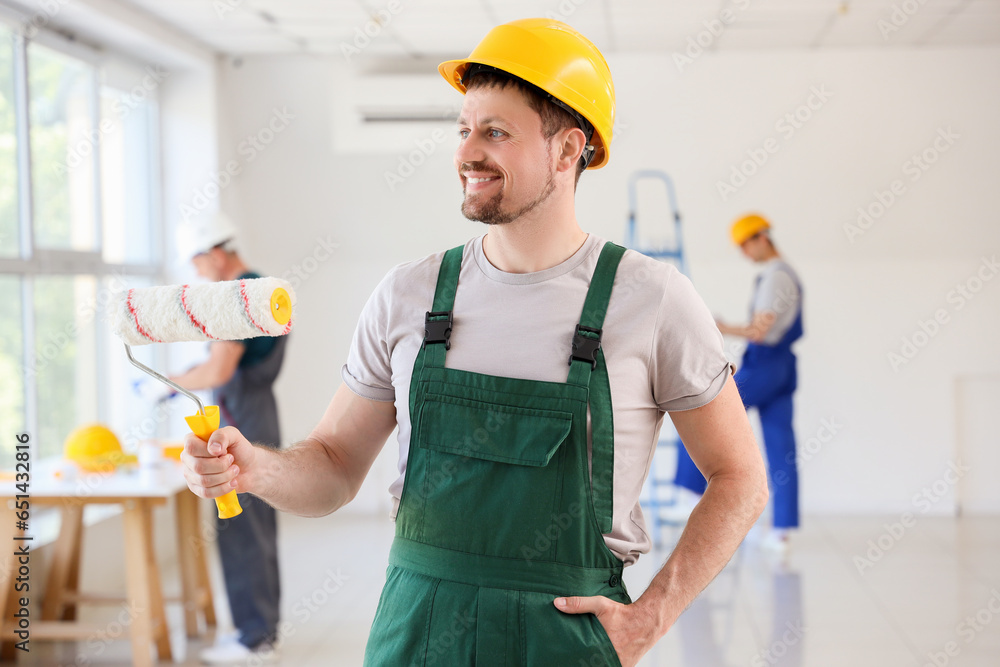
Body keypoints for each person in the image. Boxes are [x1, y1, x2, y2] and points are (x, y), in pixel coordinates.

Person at [180, 19, 768, 666]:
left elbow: (739, 477)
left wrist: (649, 617)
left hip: (562, 642)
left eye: (495, 132)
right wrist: (254, 466)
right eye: (464, 129)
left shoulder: (651, 299)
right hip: (414, 636)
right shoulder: (408, 294)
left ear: (568, 150)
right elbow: (335, 464)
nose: (466, 153)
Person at [172, 213, 285, 663]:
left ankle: (253, 640)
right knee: (255, 527)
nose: (198, 275)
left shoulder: (235, 297)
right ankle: (261, 632)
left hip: (242, 420)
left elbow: (219, 370)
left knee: (238, 525)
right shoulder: (260, 291)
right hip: (258, 416)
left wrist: (167, 381)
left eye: (198, 265)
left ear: (216, 255)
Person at [674, 214, 803, 553]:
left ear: (762, 238)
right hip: (783, 367)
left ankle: (688, 492)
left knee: (707, 408)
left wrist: (721, 327)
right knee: (780, 445)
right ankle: (782, 532)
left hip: (767, 364)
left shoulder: (777, 278)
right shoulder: (783, 275)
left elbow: (760, 331)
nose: (745, 253)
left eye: (746, 245)